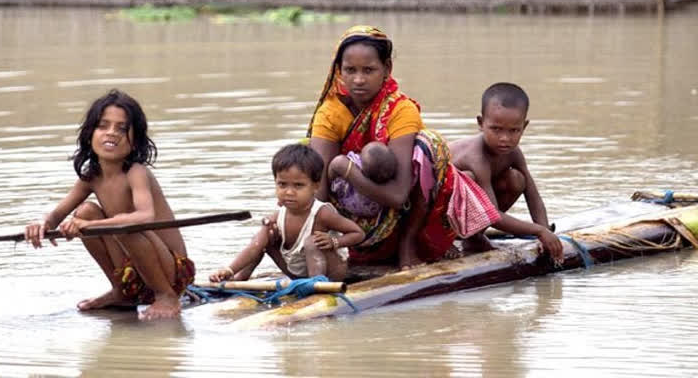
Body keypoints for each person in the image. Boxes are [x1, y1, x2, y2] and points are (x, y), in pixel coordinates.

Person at [307, 26, 564, 268]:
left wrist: (543, 233)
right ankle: (448, 239)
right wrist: (320, 241)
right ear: (338, 71)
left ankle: (420, 242)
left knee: (429, 147)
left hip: (400, 208)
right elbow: (318, 189)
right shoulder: (330, 113)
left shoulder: (400, 109)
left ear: (387, 69)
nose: (359, 79)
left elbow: (398, 195)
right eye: (350, 70)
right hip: (351, 220)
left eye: (368, 70)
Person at [24, 89, 194, 321]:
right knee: (85, 211)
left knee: (124, 225)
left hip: (172, 273)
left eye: (122, 128)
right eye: (103, 126)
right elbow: (56, 215)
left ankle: (165, 296)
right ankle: (123, 292)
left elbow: (144, 216)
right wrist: (41, 224)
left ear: (135, 140)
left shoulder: (136, 172)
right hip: (134, 272)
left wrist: (88, 226)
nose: (111, 133)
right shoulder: (91, 177)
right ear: (90, 134)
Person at [210, 143, 364, 282]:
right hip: (296, 273)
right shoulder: (277, 216)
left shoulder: (322, 213)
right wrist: (228, 270)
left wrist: (334, 242)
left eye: (298, 186)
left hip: (331, 273)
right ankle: (238, 278)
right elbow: (254, 247)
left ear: (315, 186)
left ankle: (316, 285)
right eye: (282, 184)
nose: (289, 192)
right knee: (264, 237)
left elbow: (358, 233)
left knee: (312, 241)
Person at [450, 82, 554, 252]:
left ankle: (474, 236)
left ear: (524, 127)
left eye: (514, 131)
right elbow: (493, 216)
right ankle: (455, 238)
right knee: (468, 178)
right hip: (436, 216)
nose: (505, 138)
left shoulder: (514, 153)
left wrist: (546, 231)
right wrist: (538, 230)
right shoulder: (476, 157)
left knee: (517, 180)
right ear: (481, 123)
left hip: (473, 215)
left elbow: (532, 195)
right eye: (496, 129)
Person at [330, 141, 398, 219]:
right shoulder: (379, 199)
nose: (358, 155)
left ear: (362, 170)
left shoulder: (357, 165)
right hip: (368, 213)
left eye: (360, 154)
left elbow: (339, 165)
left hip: (346, 202)